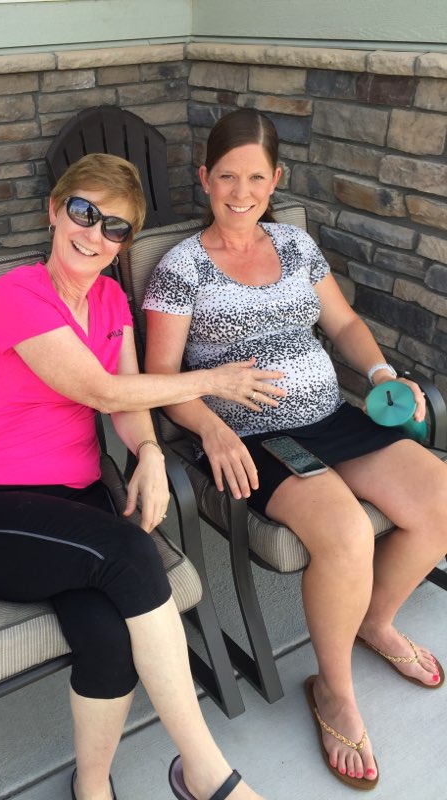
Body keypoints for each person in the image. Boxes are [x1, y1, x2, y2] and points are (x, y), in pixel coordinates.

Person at [0, 153, 269, 800]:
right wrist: (213, 380)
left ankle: (91, 787)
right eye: (84, 212)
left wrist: (150, 454)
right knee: (131, 553)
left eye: (115, 227)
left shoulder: (112, 299)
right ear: (53, 211)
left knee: (108, 638)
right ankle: (207, 772)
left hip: (74, 506)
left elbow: (128, 406)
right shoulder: (18, 294)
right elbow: (101, 390)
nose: (94, 234)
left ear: (123, 244)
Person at [143, 109, 447, 791]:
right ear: (205, 178)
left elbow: (341, 321)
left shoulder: (294, 244)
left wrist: (381, 375)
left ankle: (374, 621)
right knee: (345, 533)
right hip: (249, 435)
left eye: (256, 177)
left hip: (329, 416)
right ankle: (334, 690)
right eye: (228, 177)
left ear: (276, 180)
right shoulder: (180, 270)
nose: (241, 192)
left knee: (440, 496)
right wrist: (210, 428)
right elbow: (161, 381)